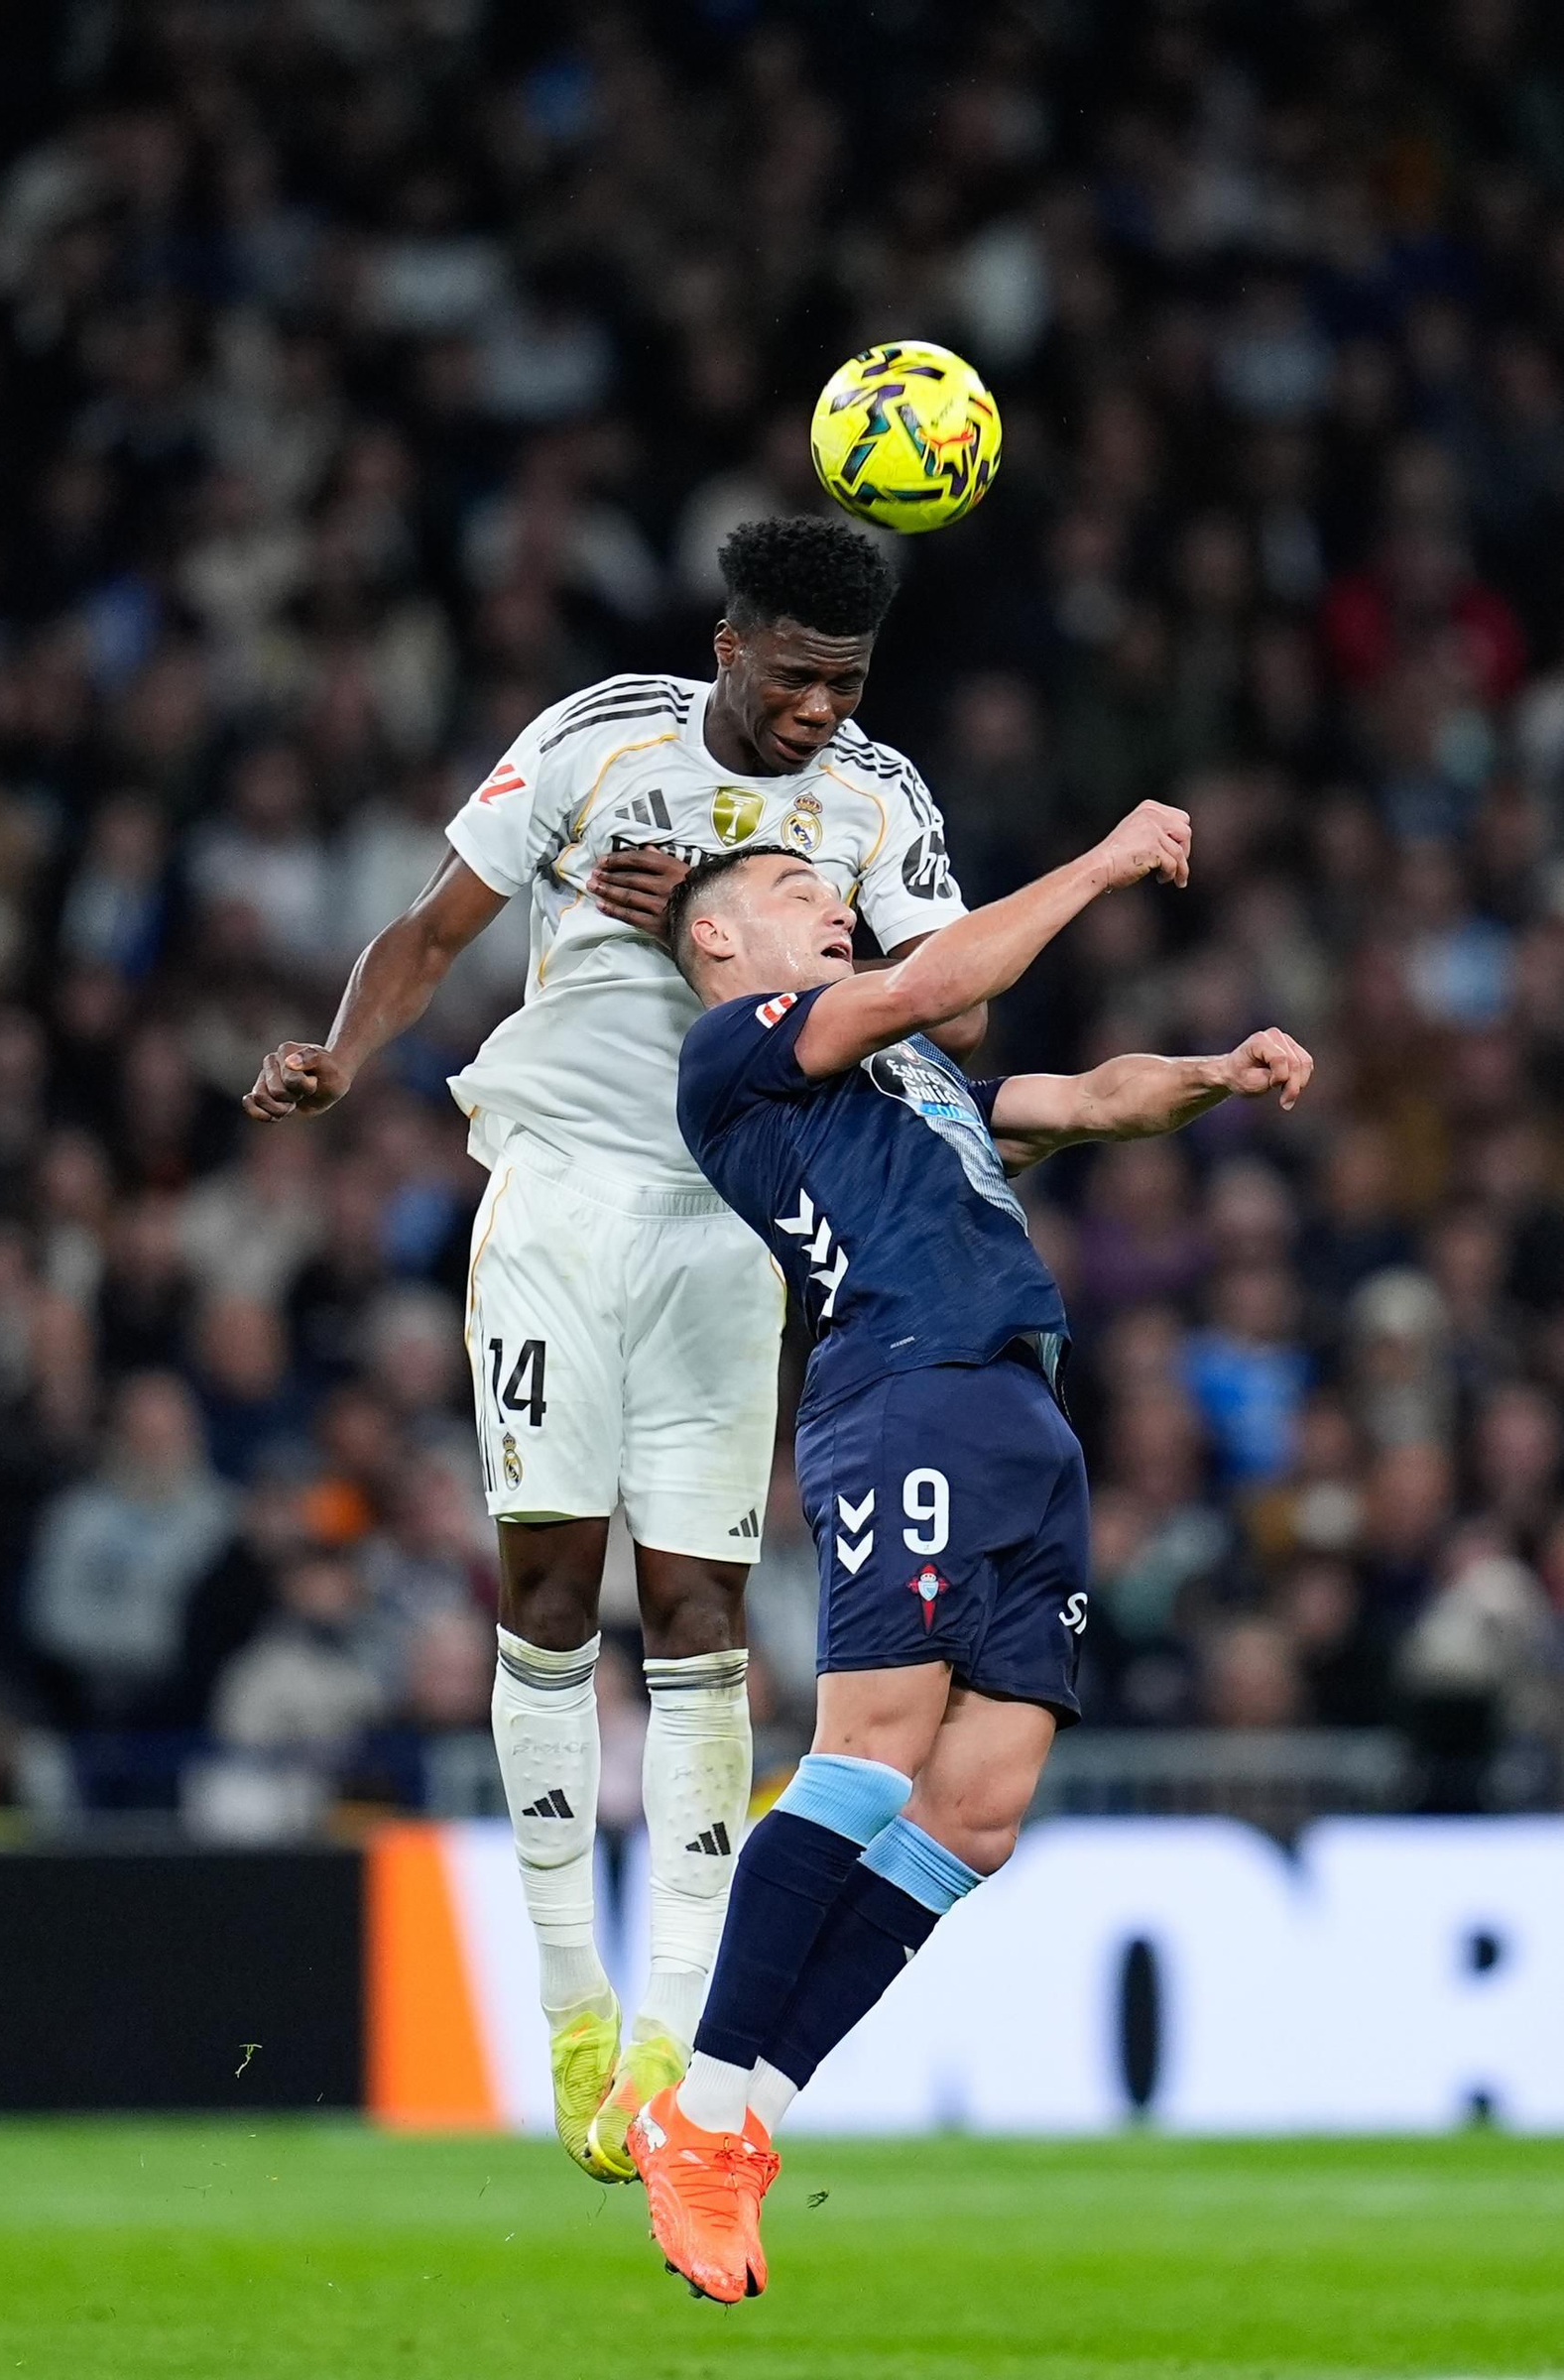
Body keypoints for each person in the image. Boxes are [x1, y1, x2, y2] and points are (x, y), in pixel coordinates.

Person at [241, 518, 983, 2177]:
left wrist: (714, 922)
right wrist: (348, 1059)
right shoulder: (596, 742)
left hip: (733, 1215)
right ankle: (572, 2005)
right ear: (731, 646)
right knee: (551, 1588)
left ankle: (669, 2023)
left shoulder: (879, 801)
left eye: (846, 685)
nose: (818, 713)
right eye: (796, 677)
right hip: (560, 1196)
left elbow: (960, 1002)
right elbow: (432, 932)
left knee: (706, 1609)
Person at [628, 810, 1314, 2303]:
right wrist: (1103, 861)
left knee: (978, 1812)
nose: (833, 908)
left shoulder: (905, 1077)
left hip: (1018, 1410)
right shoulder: (741, 1051)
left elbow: (1084, 1101)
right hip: (905, 1383)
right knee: (869, 1753)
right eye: (799, 891)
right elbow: (923, 984)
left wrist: (1212, 1075)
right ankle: (701, 2099)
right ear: (724, 945)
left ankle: (747, 2127)